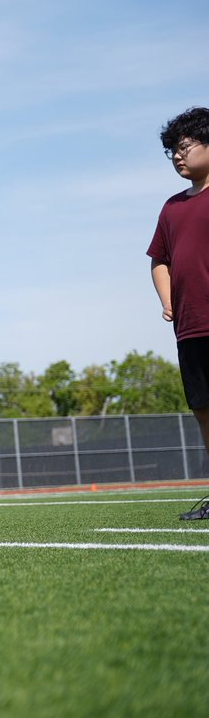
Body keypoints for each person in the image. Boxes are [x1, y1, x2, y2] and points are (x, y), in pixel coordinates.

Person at [148, 108, 209, 475]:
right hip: (191, 327)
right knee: (203, 409)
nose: (177, 155)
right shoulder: (172, 207)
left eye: (185, 147)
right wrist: (167, 299)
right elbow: (159, 259)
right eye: (172, 150)